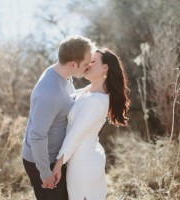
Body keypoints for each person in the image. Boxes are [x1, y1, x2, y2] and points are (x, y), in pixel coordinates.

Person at [22, 35, 96, 200]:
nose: (86, 68)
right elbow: (37, 135)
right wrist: (45, 173)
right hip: (41, 161)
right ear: (72, 64)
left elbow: (66, 99)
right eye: (85, 64)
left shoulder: (60, 74)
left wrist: (93, 88)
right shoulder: (49, 92)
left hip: (52, 158)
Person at [52, 48, 130, 200]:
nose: (87, 64)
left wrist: (58, 165)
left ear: (105, 68)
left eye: (92, 61)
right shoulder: (87, 91)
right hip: (81, 159)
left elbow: (76, 134)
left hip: (83, 164)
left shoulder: (96, 101)